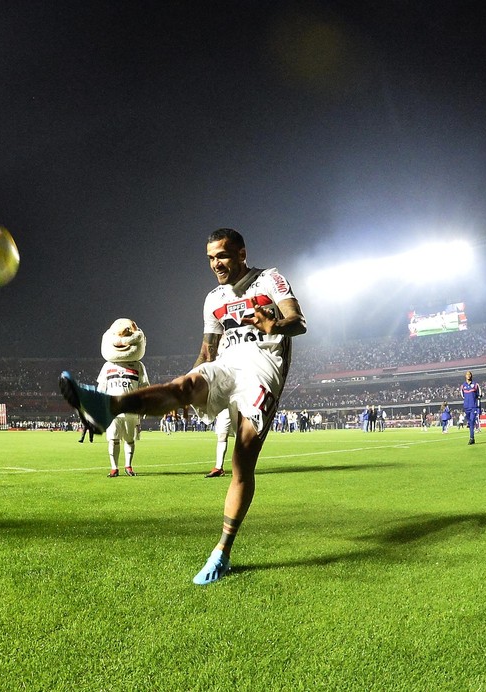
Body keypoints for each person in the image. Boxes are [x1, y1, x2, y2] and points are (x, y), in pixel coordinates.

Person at [59, 228, 306, 585]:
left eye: (221, 255)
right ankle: (107, 406)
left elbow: (298, 322)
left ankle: (222, 552)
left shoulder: (269, 279)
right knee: (185, 383)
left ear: (241, 254)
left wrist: (274, 323)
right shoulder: (213, 299)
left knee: (242, 461)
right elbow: (208, 352)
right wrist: (181, 393)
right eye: (210, 258)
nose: (215, 264)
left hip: (262, 372)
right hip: (227, 363)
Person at [95, 318, 149, 477]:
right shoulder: (108, 366)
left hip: (131, 409)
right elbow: (101, 388)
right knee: (113, 439)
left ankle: (129, 466)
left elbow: (144, 387)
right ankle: (114, 468)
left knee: (130, 439)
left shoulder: (138, 365)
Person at [205, 408, 231, 478]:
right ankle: (218, 468)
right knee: (222, 435)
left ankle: (244, 467)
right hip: (224, 409)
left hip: (240, 405)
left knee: (243, 434)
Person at [459, 370, 481, 445]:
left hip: (473, 407)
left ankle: (471, 438)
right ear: (465, 376)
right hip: (466, 407)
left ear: (471, 376)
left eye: (469, 374)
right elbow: (463, 396)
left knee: (471, 421)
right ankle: (472, 437)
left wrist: (477, 406)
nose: (468, 375)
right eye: (467, 374)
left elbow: (479, 395)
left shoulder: (475, 385)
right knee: (469, 422)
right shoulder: (463, 386)